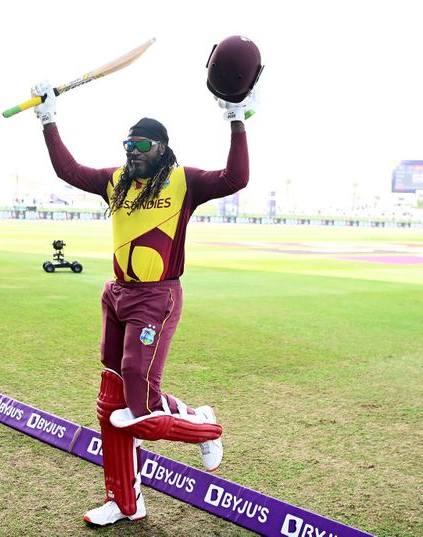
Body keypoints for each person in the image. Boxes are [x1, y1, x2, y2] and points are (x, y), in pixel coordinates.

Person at [31, 37, 260, 527]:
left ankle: (206, 427)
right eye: (127, 145)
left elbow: (237, 178)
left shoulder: (185, 181)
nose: (131, 152)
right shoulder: (116, 182)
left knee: (137, 409)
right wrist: (49, 121)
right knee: (109, 405)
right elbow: (69, 170)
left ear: (162, 149)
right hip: (116, 296)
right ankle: (125, 502)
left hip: (157, 297)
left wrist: (236, 117)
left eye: (140, 145)